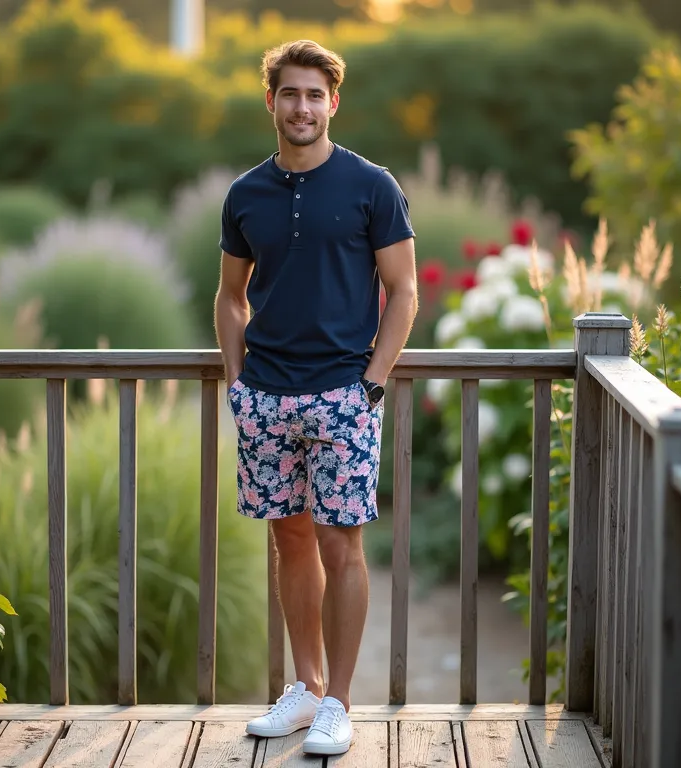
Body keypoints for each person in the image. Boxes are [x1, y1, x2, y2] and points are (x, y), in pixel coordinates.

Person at [213, 39, 418, 757]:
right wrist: (238, 385)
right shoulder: (245, 195)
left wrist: (371, 384)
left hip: (343, 396)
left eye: (314, 94)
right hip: (266, 398)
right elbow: (230, 300)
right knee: (290, 538)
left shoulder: (371, 186)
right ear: (270, 101)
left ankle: (339, 703)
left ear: (334, 102)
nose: (302, 107)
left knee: (343, 544)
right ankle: (304, 688)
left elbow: (405, 293)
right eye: (289, 93)